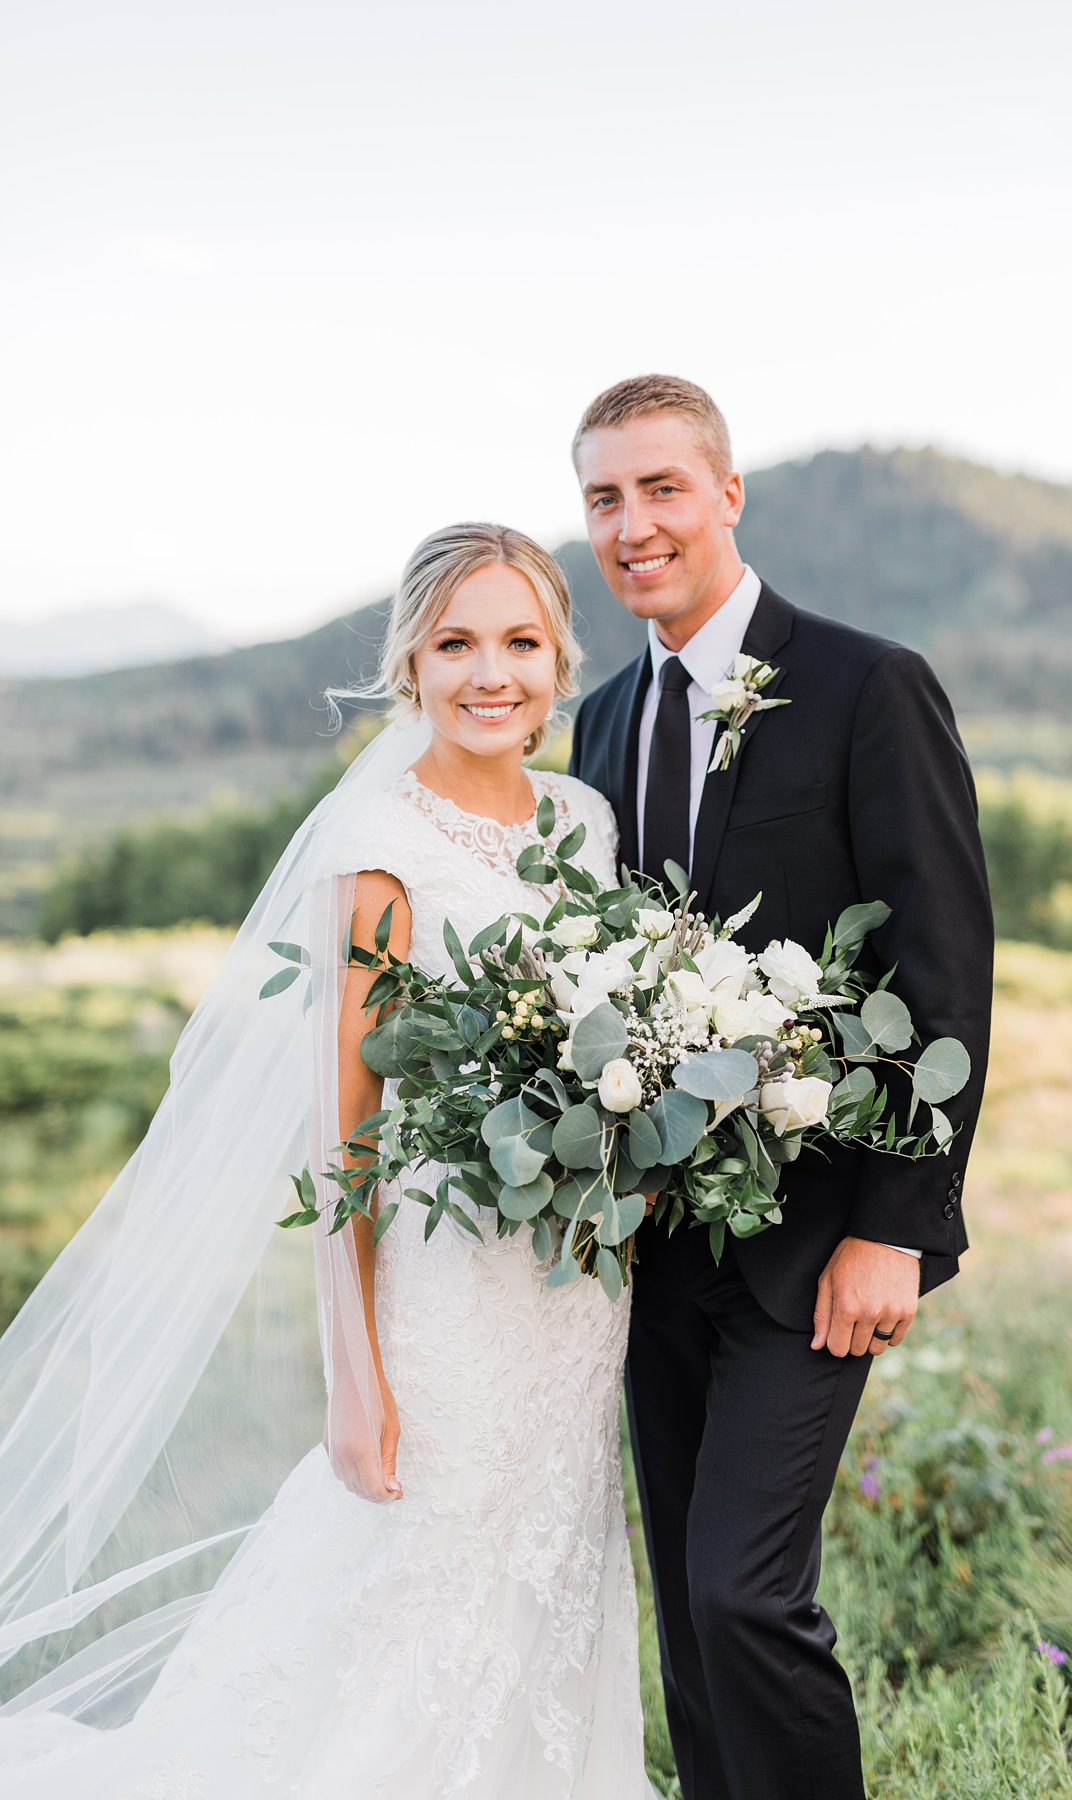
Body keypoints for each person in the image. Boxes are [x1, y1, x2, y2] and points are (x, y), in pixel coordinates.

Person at [0, 524, 654, 1798]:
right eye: (457, 642)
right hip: (446, 1283)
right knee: (412, 1579)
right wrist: (353, 1375)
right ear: (410, 659)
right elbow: (343, 1131)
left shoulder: (586, 817)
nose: (491, 673)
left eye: (520, 641)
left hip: (573, 1286)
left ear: (562, 658)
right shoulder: (378, 838)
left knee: (549, 1567)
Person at [569, 375, 994, 1800]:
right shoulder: (602, 721)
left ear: (728, 493)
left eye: (662, 488)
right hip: (651, 1258)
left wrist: (899, 1221)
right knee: (693, 1621)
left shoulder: (869, 685)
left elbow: (943, 967)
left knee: (748, 1596)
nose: (635, 526)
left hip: (815, 1243)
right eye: (605, 499)